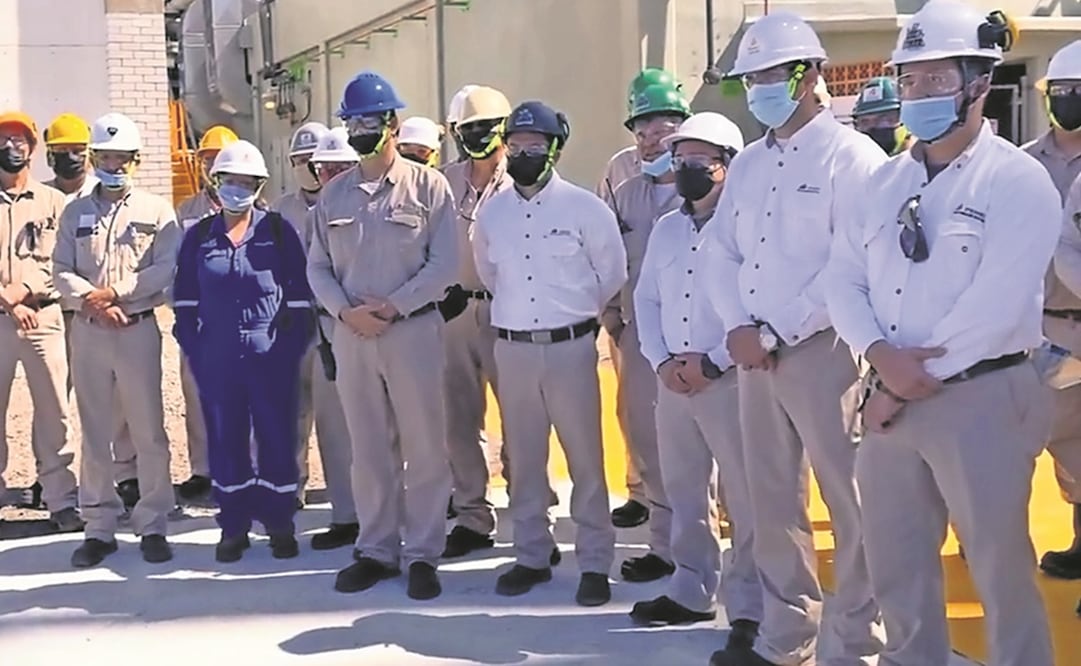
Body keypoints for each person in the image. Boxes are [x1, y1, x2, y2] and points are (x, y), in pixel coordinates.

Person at [825, 5, 1058, 664]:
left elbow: (996, 305)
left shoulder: (1015, 180)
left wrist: (902, 383)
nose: (918, 95)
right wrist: (876, 356)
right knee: (895, 565)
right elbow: (841, 279)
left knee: (997, 569)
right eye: (909, 80)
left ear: (977, 83)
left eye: (934, 80)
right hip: (887, 398)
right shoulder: (883, 181)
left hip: (979, 399)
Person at [704, 12, 886, 666]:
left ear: (809, 77)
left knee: (850, 501)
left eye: (769, 75)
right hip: (753, 358)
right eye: (750, 79)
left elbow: (850, 262)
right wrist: (736, 326)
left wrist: (776, 330)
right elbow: (719, 251)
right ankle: (786, 640)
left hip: (825, 354)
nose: (758, 89)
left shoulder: (853, 157)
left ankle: (856, 641)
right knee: (771, 501)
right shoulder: (749, 164)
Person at [308, 71, 457, 600]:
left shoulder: (429, 186)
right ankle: (376, 549)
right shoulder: (335, 194)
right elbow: (318, 267)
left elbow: (445, 264)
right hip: (353, 336)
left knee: (424, 448)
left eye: (369, 120)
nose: (359, 130)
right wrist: (345, 313)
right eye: (351, 121)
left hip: (411, 333)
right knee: (368, 448)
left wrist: (395, 306)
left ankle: (422, 553)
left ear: (392, 124)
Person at [473, 101, 626, 606]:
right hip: (513, 350)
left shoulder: (585, 209)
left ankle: (596, 562)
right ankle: (533, 554)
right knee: (526, 460)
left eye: (533, 146)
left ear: (555, 148)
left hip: (571, 349)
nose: (522, 155)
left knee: (585, 459)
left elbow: (612, 276)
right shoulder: (492, 214)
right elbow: (490, 276)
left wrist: (575, 316)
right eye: (514, 146)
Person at [629, 112, 762, 635]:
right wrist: (661, 360)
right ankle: (691, 589)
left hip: (729, 379)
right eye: (680, 159)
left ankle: (751, 604)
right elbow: (647, 298)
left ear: (727, 166)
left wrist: (712, 362)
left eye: (699, 160)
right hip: (675, 381)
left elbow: (754, 308)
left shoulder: (747, 229)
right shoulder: (666, 228)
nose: (686, 168)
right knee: (685, 492)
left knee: (746, 496)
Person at [174, 140, 314, 562]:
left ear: (259, 185)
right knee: (226, 440)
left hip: (270, 355)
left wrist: (287, 351)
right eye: (229, 181)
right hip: (217, 357)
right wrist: (198, 353)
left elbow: (300, 299)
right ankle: (233, 526)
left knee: (276, 438)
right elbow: (184, 301)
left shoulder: (277, 232)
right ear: (215, 184)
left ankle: (279, 524)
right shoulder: (199, 236)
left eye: (246, 182)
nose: (237, 189)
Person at [54, 112, 180, 567]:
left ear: (136, 160)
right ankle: (99, 526)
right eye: (105, 157)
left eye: (122, 158)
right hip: (89, 332)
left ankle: (152, 524)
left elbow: (165, 268)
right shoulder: (76, 213)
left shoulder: (156, 211)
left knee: (148, 431)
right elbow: (61, 270)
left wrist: (119, 294)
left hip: (136, 330)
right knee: (95, 432)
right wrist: (93, 299)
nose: (114, 165)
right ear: (93, 159)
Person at [603, 82, 691, 584]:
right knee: (650, 442)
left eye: (664, 126)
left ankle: (719, 548)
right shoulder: (626, 192)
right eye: (643, 128)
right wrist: (613, 315)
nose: (653, 137)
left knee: (710, 447)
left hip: (702, 338)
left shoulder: (706, 185)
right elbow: (610, 257)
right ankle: (664, 545)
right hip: (640, 336)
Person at [439, 85, 515, 559]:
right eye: (468, 130)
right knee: (459, 420)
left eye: (486, 128)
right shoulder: (440, 184)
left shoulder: (525, 180)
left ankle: (530, 515)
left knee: (523, 420)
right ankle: (471, 514)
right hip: (454, 312)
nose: (477, 137)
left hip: (510, 312)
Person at [0, 111, 81, 531]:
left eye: (20, 140)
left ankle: (60, 498)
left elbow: (59, 261)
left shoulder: (54, 202)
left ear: (33, 149)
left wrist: (24, 292)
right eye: (4, 139)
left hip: (42, 317)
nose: (11, 147)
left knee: (54, 410)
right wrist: (9, 299)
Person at [1025, 39, 1081, 582]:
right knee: (1019, 438)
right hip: (1041, 328)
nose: (1068, 101)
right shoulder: (1022, 164)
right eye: (1060, 92)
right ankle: (992, 540)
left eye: (1078, 93)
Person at [293, 125, 359, 550]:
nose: (329, 174)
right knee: (304, 423)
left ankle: (358, 515)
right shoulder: (283, 209)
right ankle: (337, 513)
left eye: (340, 167)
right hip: (297, 325)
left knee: (350, 428)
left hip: (347, 324)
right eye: (323, 167)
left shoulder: (362, 207)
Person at [174, 124, 239, 501]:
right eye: (207, 160)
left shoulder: (259, 208)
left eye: (219, 159)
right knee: (196, 396)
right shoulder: (186, 211)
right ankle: (203, 469)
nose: (212, 166)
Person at [852, 76, 914, 156]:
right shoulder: (857, 164)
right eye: (865, 122)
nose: (874, 128)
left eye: (884, 120)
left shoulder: (927, 163)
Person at [447, 84, 481, 162]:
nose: (474, 132)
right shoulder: (445, 173)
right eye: (467, 127)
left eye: (482, 125)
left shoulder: (511, 171)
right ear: (452, 131)